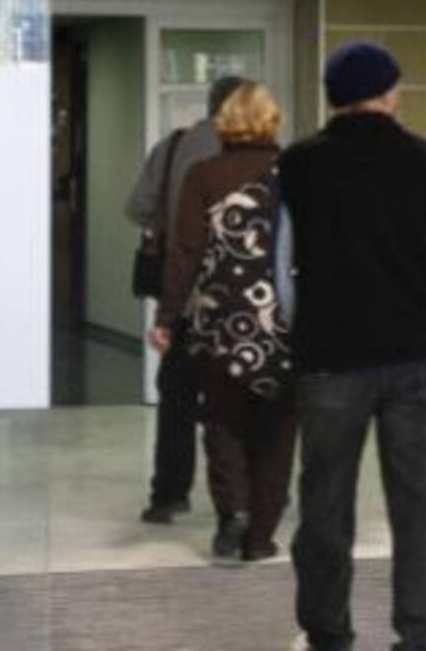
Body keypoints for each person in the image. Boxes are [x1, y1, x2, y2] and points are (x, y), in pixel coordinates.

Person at [276, 42, 426, 651]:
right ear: (391, 93)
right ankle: (421, 634)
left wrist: (305, 334)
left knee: (325, 505)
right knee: (418, 509)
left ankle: (327, 632)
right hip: (424, 358)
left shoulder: (298, 166)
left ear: (333, 98)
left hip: (330, 359)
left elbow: (279, 270)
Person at [150, 80, 296, 562]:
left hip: (221, 318)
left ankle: (232, 513)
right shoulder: (296, 173)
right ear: (272, 121)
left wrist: (167, 316)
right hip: (282, 321)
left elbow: (185, 252)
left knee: (221, 420)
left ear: (223, 123)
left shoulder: (204, 174)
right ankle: (261, 537)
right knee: (277, 429)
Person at [125, 73, 244, 524]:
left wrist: (172, 221)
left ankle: (169, 494)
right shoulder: (259, 155)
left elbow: (137, 207)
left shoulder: (174, 147)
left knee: (177, 394)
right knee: (242, 394)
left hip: (183, 290)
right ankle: (245, 493)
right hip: (243, 297)